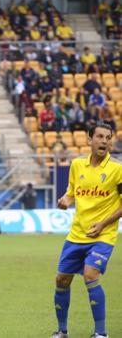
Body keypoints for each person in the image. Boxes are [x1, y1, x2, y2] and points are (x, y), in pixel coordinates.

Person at [52, 123, 122, 338]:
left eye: (108, 137)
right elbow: (71, 193)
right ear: (89, 140)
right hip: (77, 234)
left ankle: (101, 333)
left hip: (103, 235)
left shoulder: (118, 170)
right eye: (99, 136)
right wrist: (65, 200)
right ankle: (62, 331)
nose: (104, 141)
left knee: (90, 274)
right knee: (61, 279)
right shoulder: (76, 165)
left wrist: (103, 224)